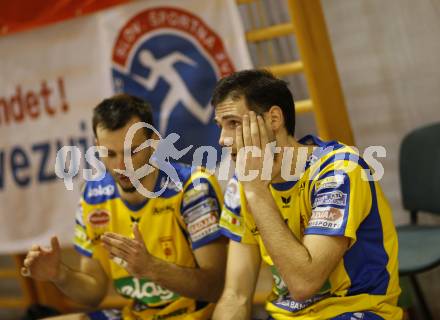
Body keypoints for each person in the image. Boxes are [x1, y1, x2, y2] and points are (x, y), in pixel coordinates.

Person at [211, 70, 402, 320]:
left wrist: (256, 191)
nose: (222, 140)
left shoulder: (339, 171)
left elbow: (303, 284)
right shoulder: (243, 185)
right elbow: (236, 295)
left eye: (234, 124)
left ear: (274, 119)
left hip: (353, 311)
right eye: (220, 127)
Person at [21, 94, 226, 320]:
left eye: (132, 151)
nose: (121, 166)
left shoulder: (192, 187)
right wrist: (60, 274)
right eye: (109, 154)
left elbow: (215, 287)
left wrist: (152, 268)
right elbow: (94, 293)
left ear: (155, 141)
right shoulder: (93, 196)